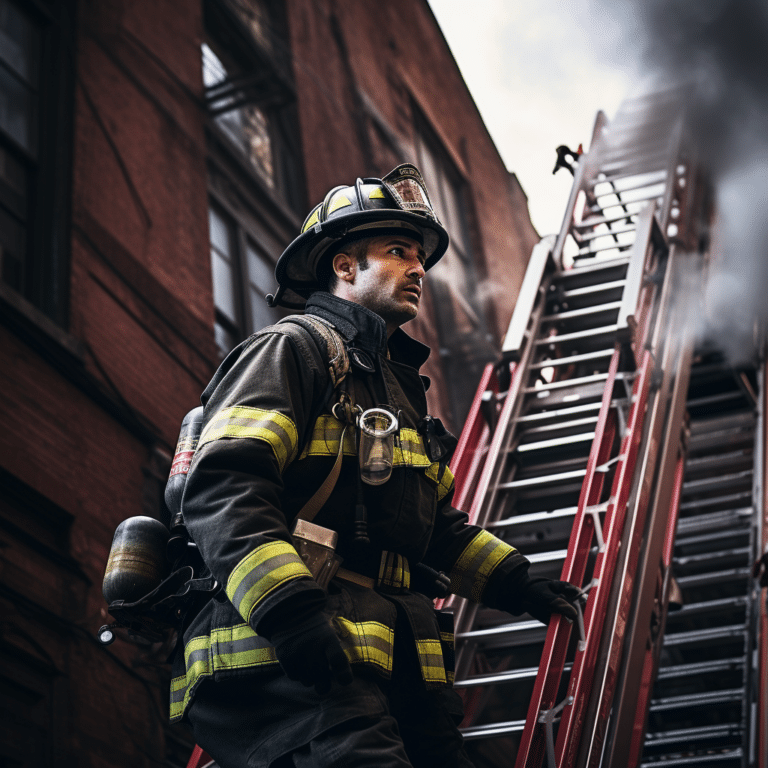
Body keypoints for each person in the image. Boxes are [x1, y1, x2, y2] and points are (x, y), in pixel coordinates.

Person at [172, 164, 580, 767]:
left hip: (387, 663)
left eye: (421, 258)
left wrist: (519, 584)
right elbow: (227, 488)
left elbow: (432, 526)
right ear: (344, 265)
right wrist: (290, 612)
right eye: (398, 251)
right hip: (292, 659)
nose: (419, 269)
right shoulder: (293, 349)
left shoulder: (395, 388)